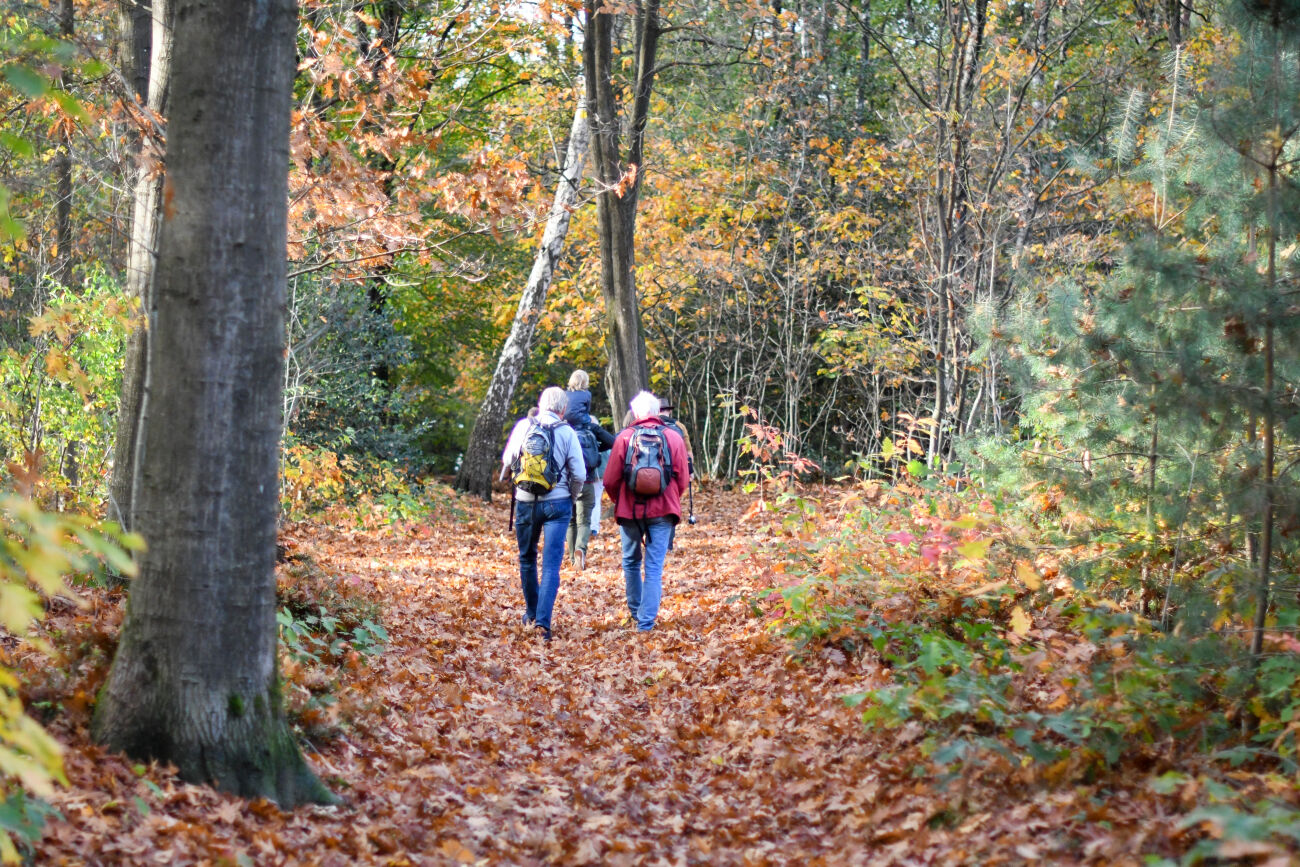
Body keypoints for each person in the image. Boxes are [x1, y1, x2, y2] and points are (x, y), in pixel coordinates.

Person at [500, 386, 585, 641]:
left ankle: (532, 613)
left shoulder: (523, 426)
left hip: (525, 501)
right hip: (557, 504)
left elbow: (507, 459)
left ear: (541, 404)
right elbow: (579, 474)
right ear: (562, 409)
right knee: (550, 565)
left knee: (526, 558)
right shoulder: (567, 432)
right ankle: (543, 625)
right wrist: (571, 495)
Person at [602, 390, 690, 632]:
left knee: (631, 562)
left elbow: (609, 479)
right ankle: (646, 622)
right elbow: (683, 477)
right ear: (657, 412)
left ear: (637, 413)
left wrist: (619, 500)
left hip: (630, 509)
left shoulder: (624, 437)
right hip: (663, 509)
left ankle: (635, 611)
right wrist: (672, 496)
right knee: (653, 566)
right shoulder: (673, 436)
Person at [564, 370, 614, 569]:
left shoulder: (564, 430)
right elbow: (612, 442)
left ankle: (570, 557)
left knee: (570, 521)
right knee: (584, 520)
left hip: (567, 482)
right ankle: (581, 551)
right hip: (587, 479)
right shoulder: (591, 426)